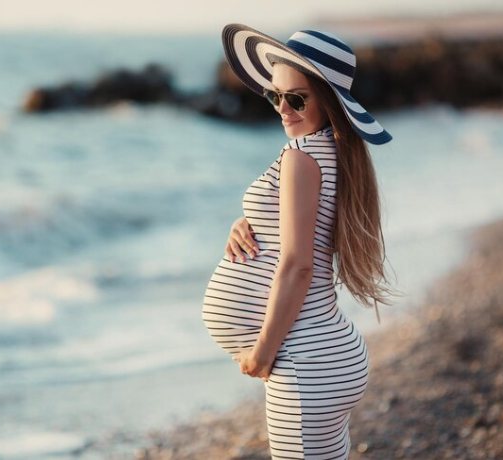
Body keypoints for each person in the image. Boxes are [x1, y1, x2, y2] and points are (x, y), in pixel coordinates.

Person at [201, 25, 403, 459]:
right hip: (326, 355)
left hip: (305, 362)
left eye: (297, 98)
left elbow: (298, 265)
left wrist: (261, 353)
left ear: (328, 101)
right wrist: (249, 221)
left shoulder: (300, 158)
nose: (283, 108)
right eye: (276, 96)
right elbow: (309, 225)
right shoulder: (333, 151)